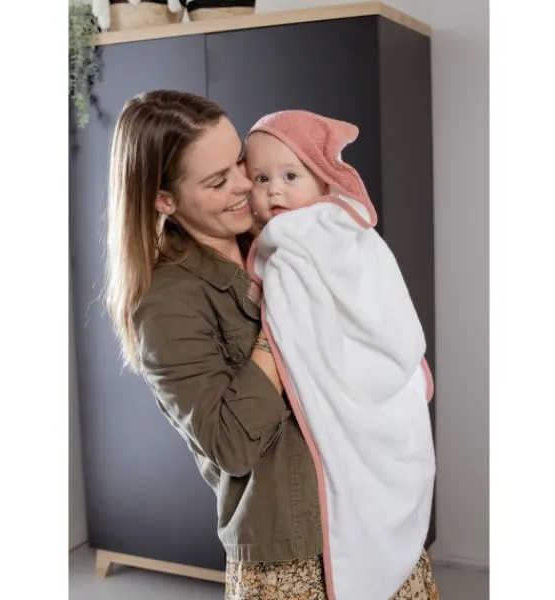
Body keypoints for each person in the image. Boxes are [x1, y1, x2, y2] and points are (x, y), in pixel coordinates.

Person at [105, 90, 438, 600]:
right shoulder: (165, 304)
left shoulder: (285, 238)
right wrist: (285, 324)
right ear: (164, 200)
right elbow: (229, 444)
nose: (246, 184)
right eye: (218, 181)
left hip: (374, 514)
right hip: (294, 551)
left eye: (239, 161)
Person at [244, 109, 440, 600]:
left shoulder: (341, 234)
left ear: (322, 178)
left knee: (372, 449)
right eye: (261, 179)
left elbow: (378, 307)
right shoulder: (279, 247)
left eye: (290, 177)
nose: (274, 191)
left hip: (366, 379)